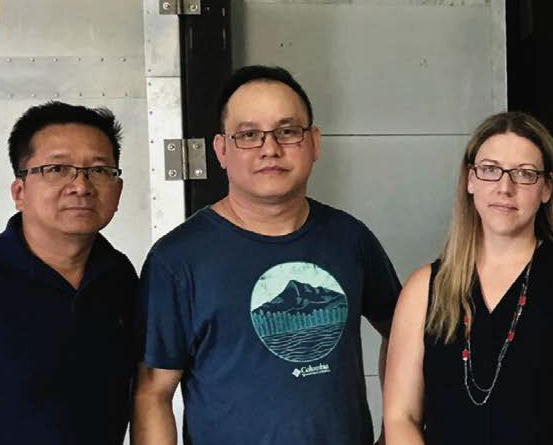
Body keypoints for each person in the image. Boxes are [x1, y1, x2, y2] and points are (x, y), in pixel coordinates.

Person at [132, 66, 401, 444]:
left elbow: (403, 333)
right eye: (248, 135)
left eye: (288, 131)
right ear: (221, 151)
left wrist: (397, 430)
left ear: (314, 143)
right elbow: (152, 393)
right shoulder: (177, 260)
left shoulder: (350, 239)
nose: (270, 148)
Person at [382, 111, 553, 445]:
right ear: (470, 179)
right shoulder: (423, 289)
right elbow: (400, 417)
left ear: (546, 188)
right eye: (490, 170)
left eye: (525, 174)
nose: (504, 187)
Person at [0, 101, 136, 444]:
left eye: (100, 170)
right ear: (20, 192)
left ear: (117, 191)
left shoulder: (119, 277)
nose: (81, 185)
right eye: (58, 168)